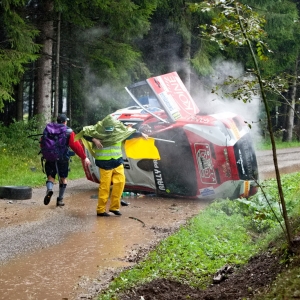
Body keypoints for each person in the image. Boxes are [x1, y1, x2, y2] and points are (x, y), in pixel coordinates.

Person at [80, 115, 147, 217]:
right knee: (105, 187)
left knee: (120, 183)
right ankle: (101, 210)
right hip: (105, 163)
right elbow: (84, 133)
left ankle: (114, 207)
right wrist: (94, 139)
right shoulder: (98, 132)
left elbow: (130, 134)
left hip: (117, 162)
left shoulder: (119, 132)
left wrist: (141, 134)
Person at [43, 114, 91, 207]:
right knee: (63, 178)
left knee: (50, 176)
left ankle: (49, 190)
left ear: (57, 121)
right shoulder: (68, 131)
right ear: (65, 122)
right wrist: (84, 157)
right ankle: (60, 199)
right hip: (62, 158)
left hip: (50, 157)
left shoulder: (48, 129)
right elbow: (76, 146)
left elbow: (43, 142)